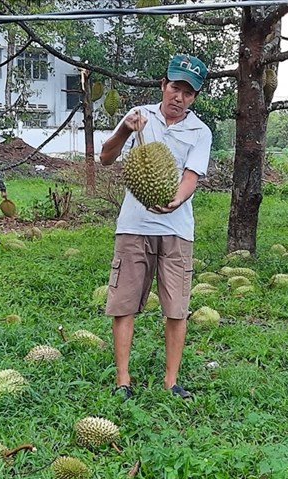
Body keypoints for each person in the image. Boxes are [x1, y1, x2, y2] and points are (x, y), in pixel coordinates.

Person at [99, 54, 212, 401]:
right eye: (175, 87)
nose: (179, 97)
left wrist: (175, 200)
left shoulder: (200, 132)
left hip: (177, 230)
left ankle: (171, 381)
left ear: (194, 97)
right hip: (133, 227)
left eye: (187, 93)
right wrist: (124, 128)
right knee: (125, 304)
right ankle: (123, 380)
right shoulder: (139, 117)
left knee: (176, 307)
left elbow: (191, 177)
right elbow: (105, 157)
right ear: (163, 85)